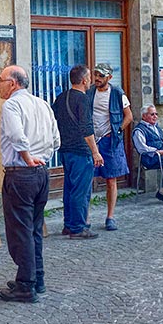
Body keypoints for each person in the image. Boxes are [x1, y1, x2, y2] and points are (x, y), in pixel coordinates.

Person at [0, 66, 60, 303]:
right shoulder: (42, 104)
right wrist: (43, 158)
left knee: (20, 230)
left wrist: (27, 158)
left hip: (21, 173)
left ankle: (25, 285)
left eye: (1, 80)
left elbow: (16, 136)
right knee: (33, 228)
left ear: (13, 83)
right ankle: (36, 277)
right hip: (42, 173)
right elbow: (56, 139)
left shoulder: (11, 105)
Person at [52, 64, 103, 239]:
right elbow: (86, 128)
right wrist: (95, 152)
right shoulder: (83, 100)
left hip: (65, 149)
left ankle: (69, 224)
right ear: (83, 80)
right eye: (89, 77)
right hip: (81, 151)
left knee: (70, 188)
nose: (91, 81)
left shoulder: (61, 98)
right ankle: (78, 227)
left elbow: (54, 121)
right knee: (81, 190)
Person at [88, 63, 132, 231]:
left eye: (101, 76)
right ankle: (86, 217)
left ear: (109, 78)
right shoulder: (90, 92)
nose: (97, 78)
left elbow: (129, 116)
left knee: (111, 179)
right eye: (96, 75)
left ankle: (110, 216)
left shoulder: (117, 93)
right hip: (92, 140)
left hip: (109, 140)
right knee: (87, 178)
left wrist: (117, 130)